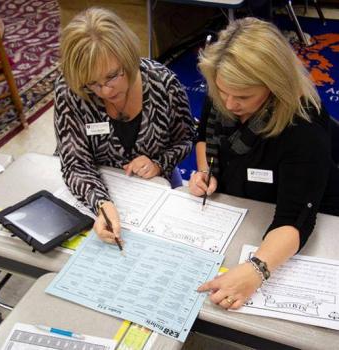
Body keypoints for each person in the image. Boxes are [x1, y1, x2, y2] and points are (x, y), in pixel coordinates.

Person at [189, 17, 339, 310]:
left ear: (275, 85)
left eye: (244, 96)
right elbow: (204, 137)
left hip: (307, 211)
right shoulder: (223, 88)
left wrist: (257, 269)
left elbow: (295, 219)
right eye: (222, 92)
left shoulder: (303, 127)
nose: (229, 104)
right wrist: (206, 170)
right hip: (243, 207)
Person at [54, 7, 195, 246]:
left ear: (128, 57)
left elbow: (185, 140)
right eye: (93, 84)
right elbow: (75, 162)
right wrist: (101, 203)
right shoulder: (72, 91)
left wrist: (159, 164)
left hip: (154, 188)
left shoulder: (163, 83)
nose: (106, 91)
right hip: (94, 189)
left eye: (112, 76)